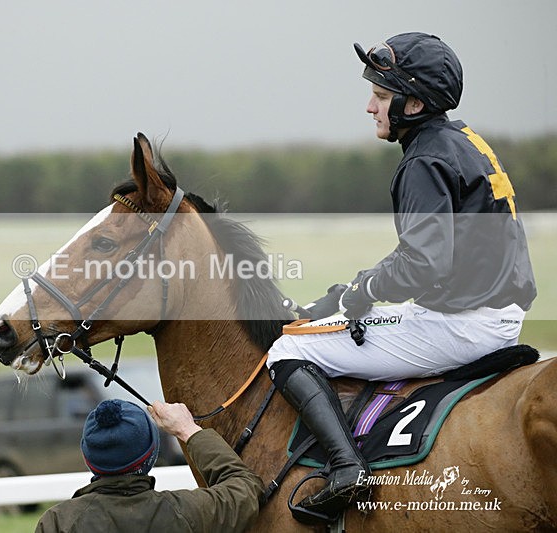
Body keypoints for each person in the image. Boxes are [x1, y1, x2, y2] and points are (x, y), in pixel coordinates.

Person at [267, 32, 537, 523]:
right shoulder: (463, 140)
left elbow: (421, 264)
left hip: (463, 323)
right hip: (488, 308)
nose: (370, 107)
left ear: (413, 104)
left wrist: (359, 292)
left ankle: (347, 470)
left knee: (290, 349)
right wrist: (355, 292)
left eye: (382, 96)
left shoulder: (423, 161)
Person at [35, 399, 264, 533]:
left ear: (88, 459)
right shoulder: (188, 512)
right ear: (151, 455)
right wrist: (188, 430)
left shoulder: (58, 523)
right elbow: (246, 487)